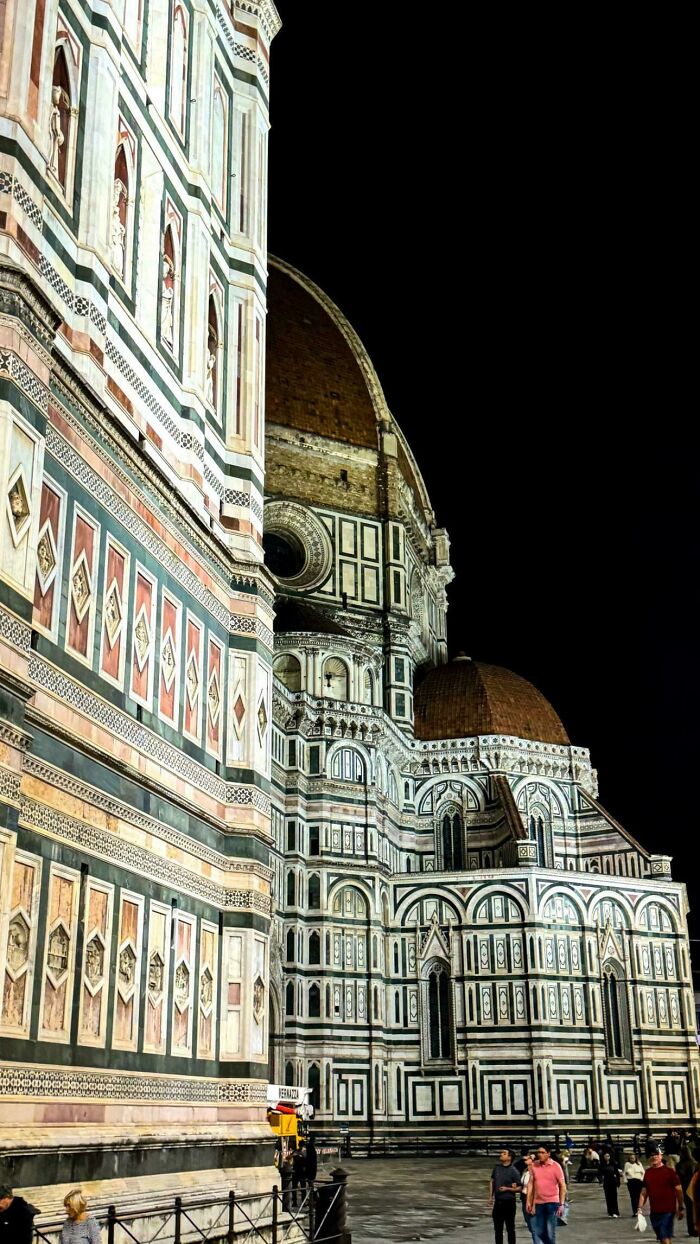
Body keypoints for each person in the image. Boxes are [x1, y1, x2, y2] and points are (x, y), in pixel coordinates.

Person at [638, 1149, 685, 1244]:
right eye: (651, 1155)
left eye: (656, 1154)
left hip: (668, 1210)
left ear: (661, 1156)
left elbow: (679, 1190)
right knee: (662, 1237)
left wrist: (680, 1207)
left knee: (664, 1237)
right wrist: (639, 1207)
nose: (654, 1156)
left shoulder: (670, 1172)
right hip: (654, 1211)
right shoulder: (648, 1173)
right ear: (649, 1158)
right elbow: (644, 1192)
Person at [525, 1143, 567, 1244]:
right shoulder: (534, 1165)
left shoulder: (556, 1166)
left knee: (550, 1231)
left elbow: (563, 1185)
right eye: (538, 1152)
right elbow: (530, 1184)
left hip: (552, 1202)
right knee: (538, 1231)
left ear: (548, 1154)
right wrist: (528, 1201)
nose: (540, 1154)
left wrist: (561, 1204)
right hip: (538, 1202)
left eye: (543, 1152)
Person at [488, 1147, 521, 1244]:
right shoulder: (497, 1168)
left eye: (504, 1153)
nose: (501, 1154)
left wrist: (508, 1189)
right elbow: (492, 1182)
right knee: (498, 1229)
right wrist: (490, 1197)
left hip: (509, 1203)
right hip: (498, 1202)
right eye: (501, 1152)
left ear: (509, 1157)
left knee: (510, 1229)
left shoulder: (514, 1171)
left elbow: (519, 1188)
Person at [624, 1151, 646, 1218]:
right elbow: (624, 1173)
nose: (632, 1159)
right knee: (633, 1197)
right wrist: (625, 1180)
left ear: (635, 1158)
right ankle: (635, 1211)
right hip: (631, 1181)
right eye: (631, 1158)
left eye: (633, 1158)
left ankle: (640, 1210)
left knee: (639, 1196)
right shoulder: (627, 1164)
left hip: (638, 1181)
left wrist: (642, 1179)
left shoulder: (639, 1164)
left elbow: (643, 1172)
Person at [519, 1154, 536, 1238]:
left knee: (533, 1223)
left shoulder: (535, 1171)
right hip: (523, 1197)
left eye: (528, 1158)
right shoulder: (526, 1170)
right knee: (528, 1221)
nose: (525, 1159)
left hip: (531, 1198)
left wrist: (532, 1202)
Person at [601, 1152, 621, 1218]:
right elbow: (600, 1172)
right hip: (606, 1182)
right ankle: (610, 1212)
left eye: (608, 1156)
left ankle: (616, 1212)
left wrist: (618, 1182)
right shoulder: (602, 1164)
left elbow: (617, 1173)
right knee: (608, 1197)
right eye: (606, 1156)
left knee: (614, 1197)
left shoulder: (613, 1163)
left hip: (613, 1181)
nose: (607, 1157)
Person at [292, 1142, 307, 1208]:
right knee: (294, 1187)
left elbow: (307, 1160)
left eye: (301, 1145)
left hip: (302, 1172)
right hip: (296, 1171)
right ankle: (294, 1202)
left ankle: (304, 1202)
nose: (300, 1146)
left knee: (303, 1188)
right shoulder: (296, 1151)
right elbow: (289, 1157)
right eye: (299, 1145)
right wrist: (294, 1155)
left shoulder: (305, 1152)